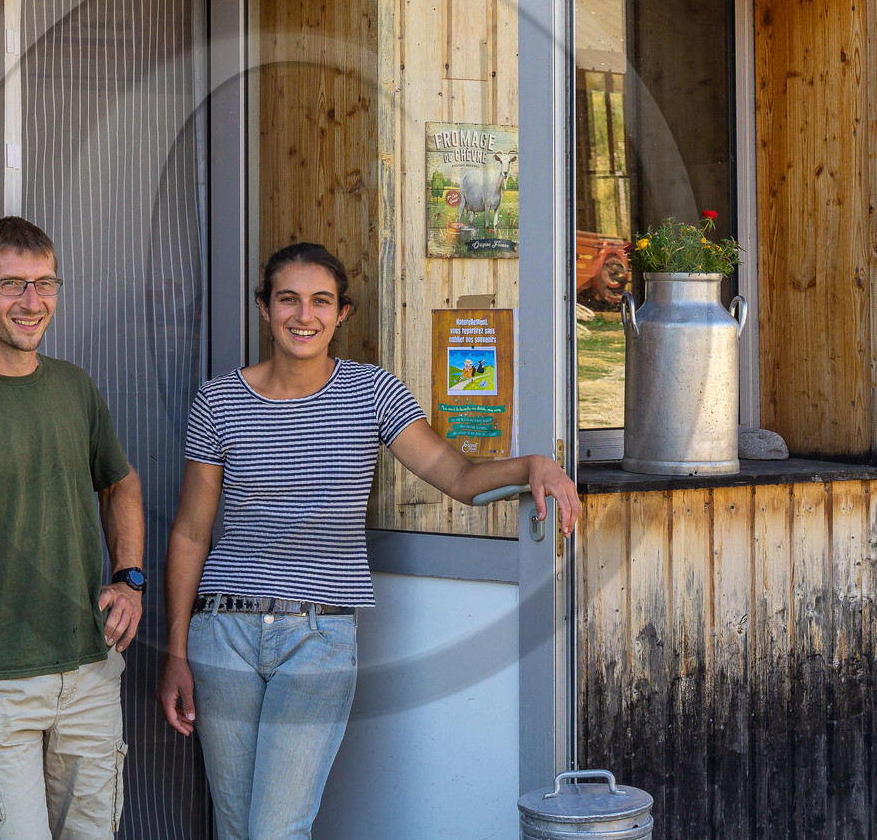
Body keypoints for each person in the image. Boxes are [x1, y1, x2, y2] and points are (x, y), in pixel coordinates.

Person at [156, 241, 582, 840]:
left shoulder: (370, 392)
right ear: (263, 308)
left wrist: (530, 465)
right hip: (222, 633)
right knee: (234, 827)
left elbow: (456, 476)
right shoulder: (220, 399)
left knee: (276, 829)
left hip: (319, 637)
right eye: (289, 300)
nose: (304, 316)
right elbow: (191, 532)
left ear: (342, 314)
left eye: (321, 302)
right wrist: (176, 652)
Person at [0, 216, 146, 840]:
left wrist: (129, 578)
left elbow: (120, 483)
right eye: (12, 286)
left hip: (88, 669)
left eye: (45, 283)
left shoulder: (74, 386)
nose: (32, 303)